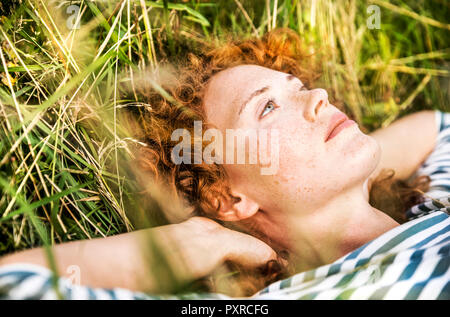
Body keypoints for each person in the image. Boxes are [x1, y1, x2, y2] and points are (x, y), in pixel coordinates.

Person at [0, 29, 449, 299]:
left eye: (297, 87)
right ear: (229, 196)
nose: (318, 98)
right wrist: (202, 239)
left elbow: (437, 125)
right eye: (268, 108)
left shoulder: (435, 196)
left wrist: (358, 171)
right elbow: (15, 283)